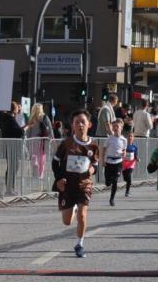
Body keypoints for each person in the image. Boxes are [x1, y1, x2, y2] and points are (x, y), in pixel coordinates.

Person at [52, 109, 99, 258]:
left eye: (83, 122)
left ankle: (79, 244)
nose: (80, 125)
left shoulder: (93, 146)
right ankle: (72, 209)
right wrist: (59, 179)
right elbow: (55, 163)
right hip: (68, 185)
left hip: (84, 184)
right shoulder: (66, 143)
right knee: (67, 222)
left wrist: (91, 169)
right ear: (72, 125)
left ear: (89, 125)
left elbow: (95, 164)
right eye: (77, 122)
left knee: (83, 215)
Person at [101, 119, 127, 206]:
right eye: (114, 126)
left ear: (121, 128)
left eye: (117, 126)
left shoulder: (124, 140)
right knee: (108, 182)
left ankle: (112, 199)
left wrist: (124, 153)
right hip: (109, 162)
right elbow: (104, 149)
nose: (115, 128)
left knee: (115, 180)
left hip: (118, 162)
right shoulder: (109, 139)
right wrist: (103, 160)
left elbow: (124, 150)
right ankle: (108, 181)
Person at [26, 103, 52, 178]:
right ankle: (40, 175)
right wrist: (51, 138)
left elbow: (28, 131)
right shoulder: (44, 117)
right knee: (42, 158)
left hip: (33, 140)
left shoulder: (31, 118)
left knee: (34, 157)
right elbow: (50, 128)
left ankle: (35, 173)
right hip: (42, 140)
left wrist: (27, 141)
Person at [122, 131, 138, 197]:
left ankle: (127, 192)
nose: (130, 138)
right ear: (126, 137)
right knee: (125, 178)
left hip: (131, 163)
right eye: (129, 136)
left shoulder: (135, 147)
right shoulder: (124, 146)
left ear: (133, 138)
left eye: (131, 136)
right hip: (124, 163)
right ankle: (128, 181)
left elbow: (136, 155)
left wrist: (137, 159)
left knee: (129, 177)